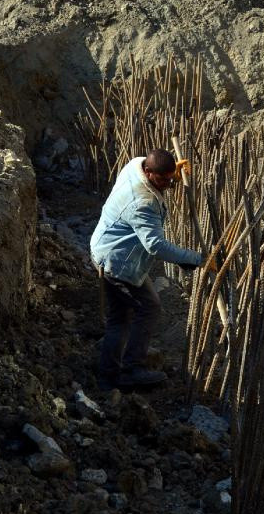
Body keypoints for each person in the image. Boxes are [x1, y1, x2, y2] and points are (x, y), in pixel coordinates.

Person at [90, 148, 214, 391]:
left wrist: (171, 173)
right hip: (116, 262)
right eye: (164, 179)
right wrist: (198, 259)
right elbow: (156, 246)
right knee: (137, 311)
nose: (169, 184)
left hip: (111, 250)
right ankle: (125, 372)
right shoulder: (142, 202)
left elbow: (155, 169)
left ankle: (113, 370)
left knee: (128, 313)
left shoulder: (135, 165)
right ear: (148, 172)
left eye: (170, 178)